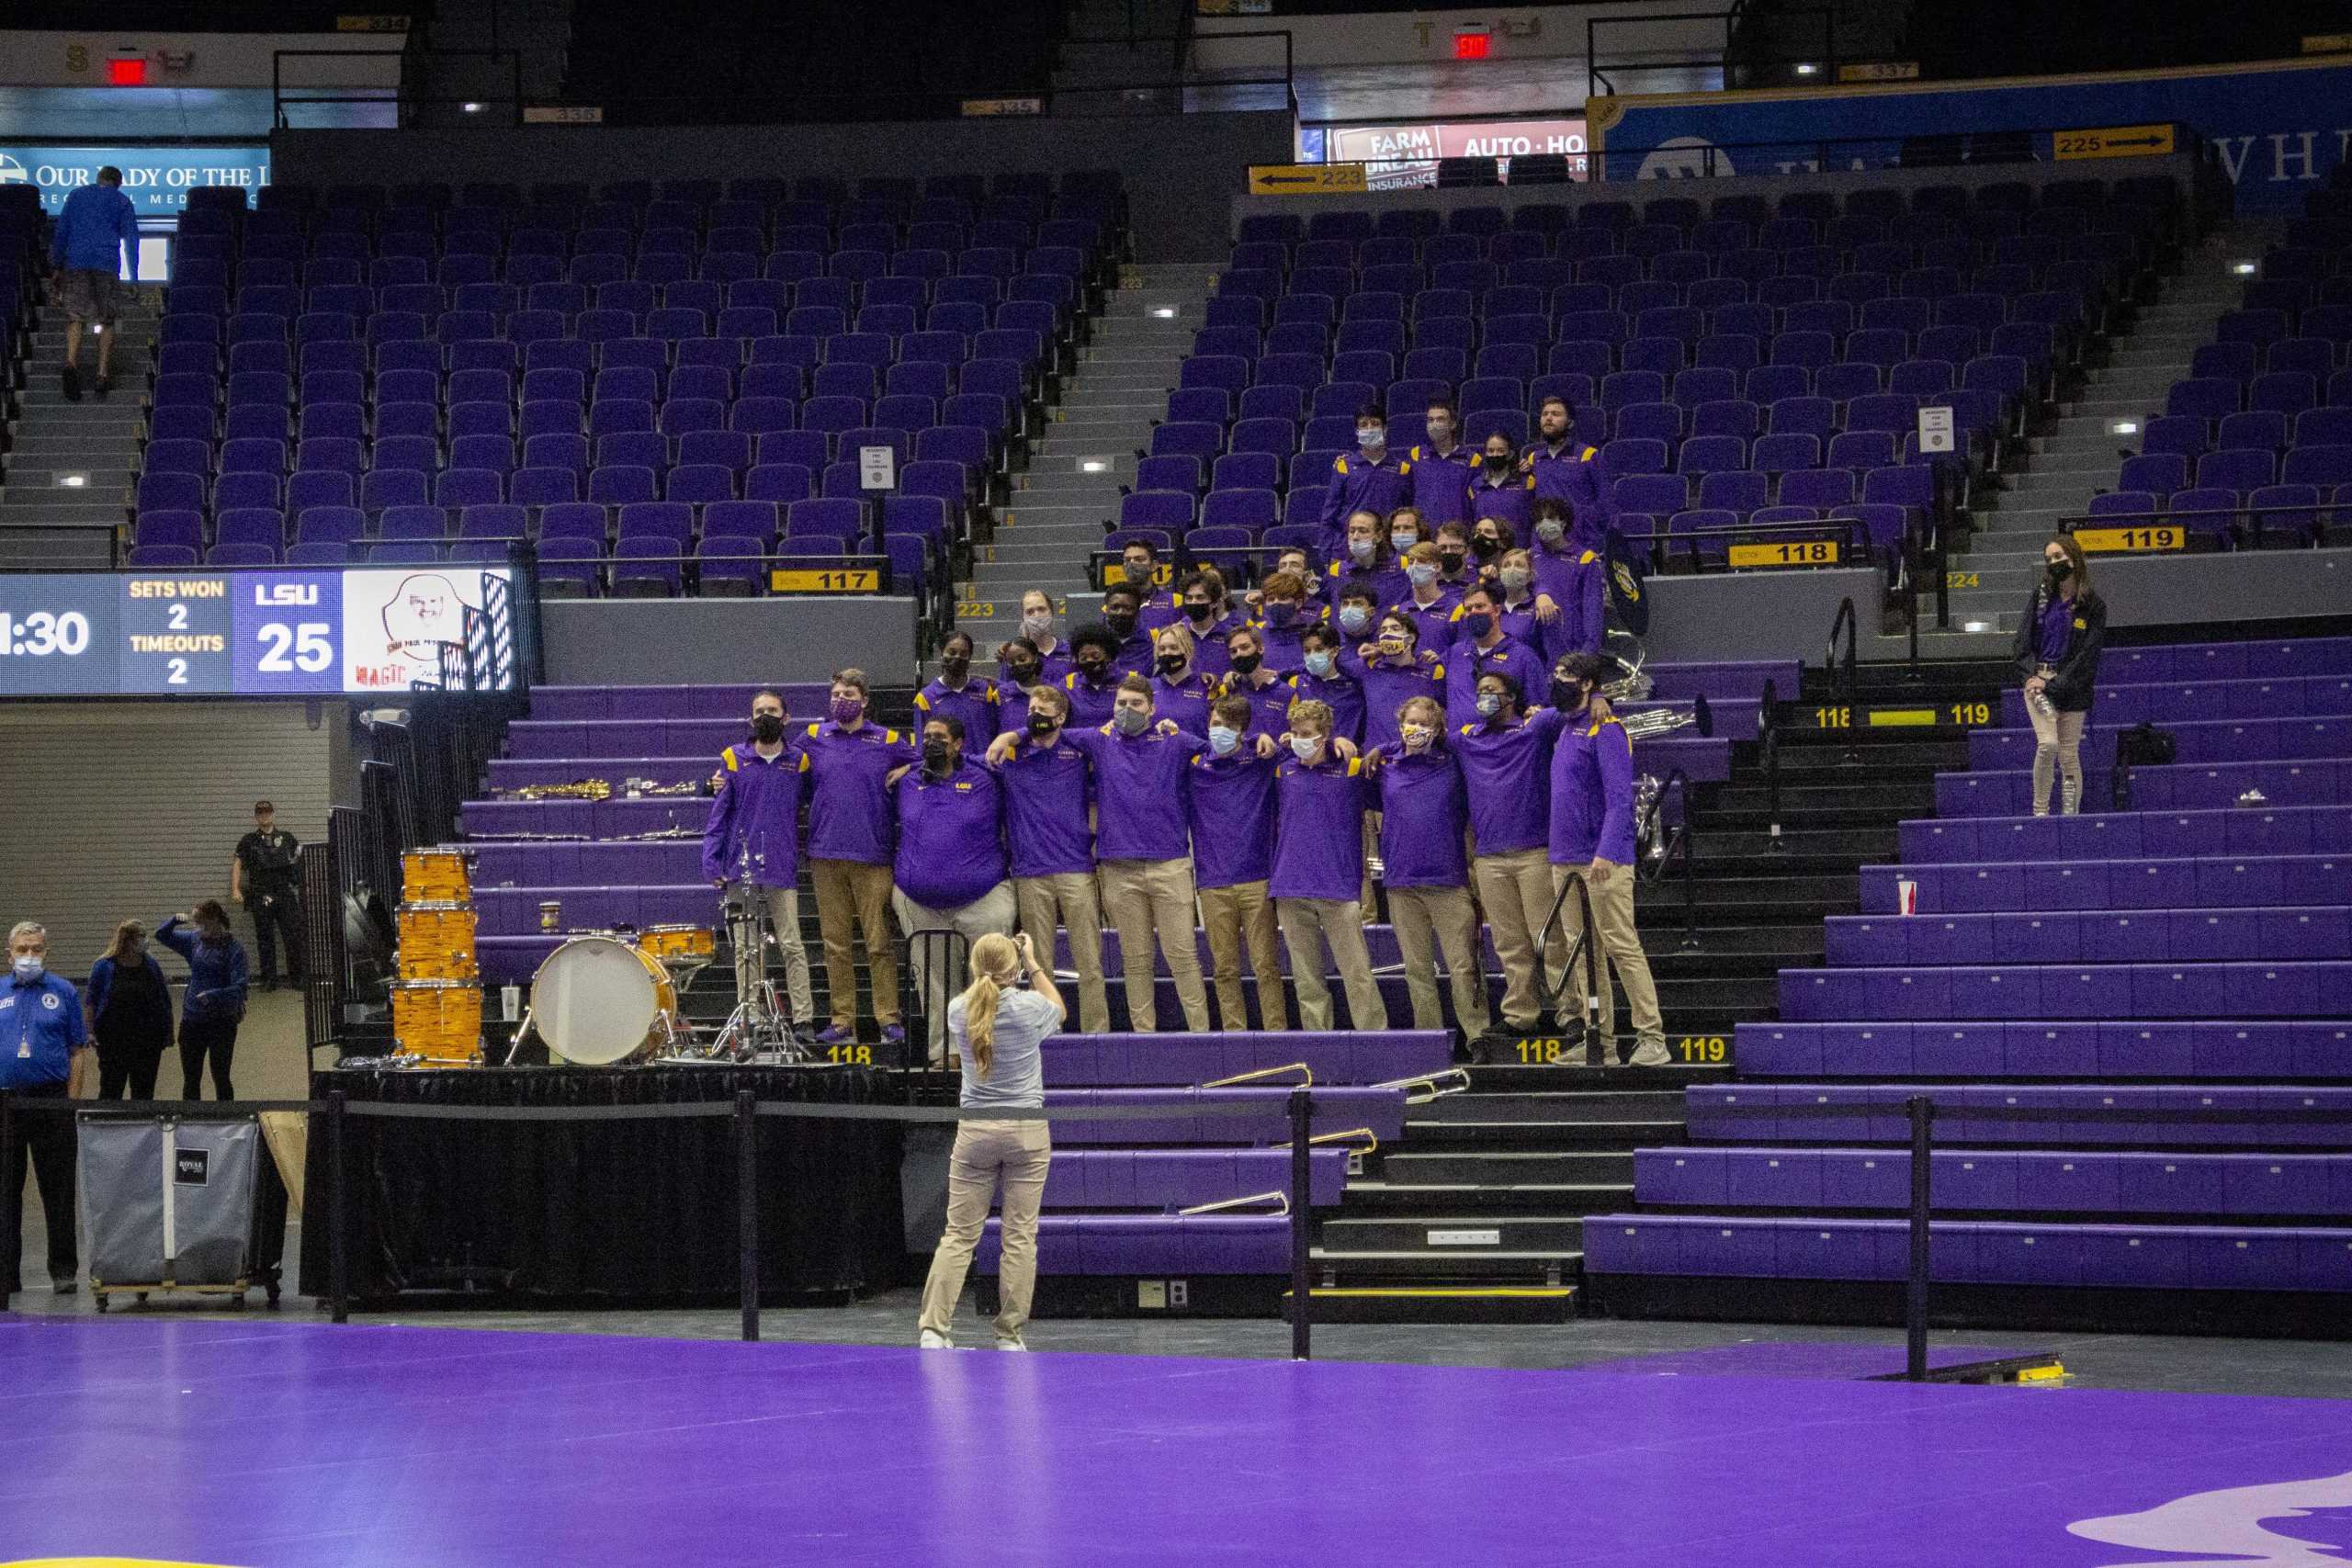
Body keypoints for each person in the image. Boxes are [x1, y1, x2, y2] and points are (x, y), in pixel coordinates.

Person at [918, 931, 1064, 1352]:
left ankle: (933, 1328)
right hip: (1026, 1129)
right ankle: (1008, 1334)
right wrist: (1032, 962)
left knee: (959, 1234)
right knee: (1019, 1235)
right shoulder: (1029, 1007)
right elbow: (1059, 1008)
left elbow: (980, 1002)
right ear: (1013, 969)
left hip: (975, 1130)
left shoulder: (958, 1009)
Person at [1064, 676, 1214, 1032]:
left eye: (1135, 704)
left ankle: (1201, 1036)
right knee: (1135, 960)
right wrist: (1012, 736)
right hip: (1119, 867)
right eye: (1121, 704)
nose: (1126, 710)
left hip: (1169, 864)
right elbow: (1049, 733)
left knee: (1183, 957)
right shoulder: (1100, 741)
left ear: (1152, 708)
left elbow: (1217, 750)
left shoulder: (1174, 740)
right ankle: (1143, 1036)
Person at [1548, 652, 1669, 1066]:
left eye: (1566, 675)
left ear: (1586, 684)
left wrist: (1607, 851)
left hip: (1602, 858)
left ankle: (1653, 1037)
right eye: (1556, 673)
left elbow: (1620, 799)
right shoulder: (1565, 727)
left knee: (1620, 944)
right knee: (1582, 952)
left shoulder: (1608, 729)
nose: (1557, 680)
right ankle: (1599, 1037)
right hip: (1563, 857)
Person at [892, 716, 1016, 1067]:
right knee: (933, 980)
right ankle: (944, 1052)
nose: (932, 743)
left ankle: (988, 1047)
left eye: (940, 738)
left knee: (989, 976)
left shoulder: (986, 778)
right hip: (919, 901)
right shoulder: (907, 781)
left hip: (984, 895)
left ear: (959, 744)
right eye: (927, 736)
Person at [802, 669, 917, 1048]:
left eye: (848, 693)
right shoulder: (815, 737)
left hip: (873, 854)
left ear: (865, 700)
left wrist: (905, 767)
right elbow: (779, 765)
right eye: (835, 693)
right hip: (825, 854)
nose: (840, 700)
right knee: (835, 943)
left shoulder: (887, 739)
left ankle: (887, 1018)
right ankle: (842, 1021)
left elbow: (926, 761)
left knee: (878, 942)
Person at [1366, 698, 1492, 1041]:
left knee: (1463, 966)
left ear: (1436, 730)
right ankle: (1429, 1039)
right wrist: (1382, 748)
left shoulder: (1453, 764)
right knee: (1417, 969)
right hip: (1401, 882)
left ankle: (1477, 1035)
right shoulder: (1386, 766)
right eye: (1410, 722)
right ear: (1400, 724)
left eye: (1424, 724)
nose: (1415, 729)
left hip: (1448, 881)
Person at [1454, 671, 1569, 1037]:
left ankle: (1572, 1013)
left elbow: (1571, 710)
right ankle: (1521, 1014)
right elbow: (1419, 740)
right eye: (1480, 691)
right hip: (1488, 858)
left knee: (1549, 939)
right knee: (1508, 943)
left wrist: (1598, 698)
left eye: (1492, 691)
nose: (1484, 697)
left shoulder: (1533, 730)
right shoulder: (1467, 739)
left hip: (1534, 852)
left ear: (1511, 698)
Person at [701, 688, 816, 1043]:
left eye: (773, 709)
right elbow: (719, 816)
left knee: (792, 944)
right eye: (759, 710)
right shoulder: (733, 759)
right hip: (740, 868)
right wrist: (711, 859)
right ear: (751, 718)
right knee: (745, 947)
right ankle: (748, 1016)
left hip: (782, 866)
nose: (766, 715)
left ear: (786, 717)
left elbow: (814, 801)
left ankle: (804, 1020)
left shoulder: (799, 761)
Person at [998, 684, 1111, 1034]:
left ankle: (1097, 1033)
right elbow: (974, 760)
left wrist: (1011, 733)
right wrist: (1012, 737)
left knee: (1089, 960)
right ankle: (1047, 1031)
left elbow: (1105, 733)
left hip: (1076, 867)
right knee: (1038, 962)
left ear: (1061, 717)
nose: (1034, 717)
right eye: (1031, 710)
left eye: (1043, 712)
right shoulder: (1013, 756)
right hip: (1030, 871)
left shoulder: (1077, 748)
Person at [1270, 701, 1388, 1032]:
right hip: (1290, 885)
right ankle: (1317, 1044)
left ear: (1325, 736)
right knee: (1307, 980)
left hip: (1338, 886)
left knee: (1357, 973)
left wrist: (1358, 751)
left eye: (1306, 734)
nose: (1298, 739)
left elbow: (1384, 780)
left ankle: (1375, 1039)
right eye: (1294, 733)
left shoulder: (1351, 770)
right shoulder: (1283, 770)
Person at [1187, 694, 1289, 1032]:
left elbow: (1298, 747)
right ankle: (1235, 1036)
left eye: (1229, 727)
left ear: (1243, 730)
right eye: (1215, 724)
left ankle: (1276, 1035)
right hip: (1213, 881)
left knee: (1266, 966)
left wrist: (1266, 738)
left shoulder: (1260, 759)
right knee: (1224, 968)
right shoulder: (1194, 765)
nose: (1219, 731)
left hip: (1257, 877)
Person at [3, 921, 92, 1295]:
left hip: (51, 1099)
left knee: (57, 1189)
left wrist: (69, 1104)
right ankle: (7, 1274)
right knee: (6, 1191)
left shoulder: (64, 992)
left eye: (36, 949)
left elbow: (77, 1052)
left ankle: (64, 1270)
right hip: (5, 1103)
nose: (29, 956)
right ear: (9, 953)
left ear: (46, 952)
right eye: (22, 949)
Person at [2014, 535, 2107, 818]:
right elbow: (2021, 642)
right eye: (2049, 559)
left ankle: (2070, 816)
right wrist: (2032, 677)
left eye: (2058, 556)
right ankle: (2040, 812)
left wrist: (2057, 684)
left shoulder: (2093, 605)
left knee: (2068, 755)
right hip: (2038, 684)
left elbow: (2087, 656)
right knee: (2048, 744)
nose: (2054, 562)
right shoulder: (2042, 596)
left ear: (2073, 558)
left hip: (2072, 688)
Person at [48, 164, 139, 403]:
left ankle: (70, 362)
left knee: (75, 317)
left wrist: (56, 265)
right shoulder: (122, 202)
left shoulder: (76, 195)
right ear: (118, 183)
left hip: (76, 261)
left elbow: (62, 231)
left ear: (98, 178)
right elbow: (131, 239)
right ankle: (101, 374)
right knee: (106, 319)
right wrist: (135, 277)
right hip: (106, 263)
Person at [157, 902, 248, 1100]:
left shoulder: (234, 949)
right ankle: (191, 1119)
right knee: (191, 1078)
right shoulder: (194, 941)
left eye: (201, 922)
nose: (197, 927)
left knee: (221, 1076)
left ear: (214, 920)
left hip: (222, 1021)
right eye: (195, 923)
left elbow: (240, 987)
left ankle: (225, 1119)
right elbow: (161, 935)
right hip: (192, 1019)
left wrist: (215, 995)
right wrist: (174, 921)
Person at [86, 919, 174, 1100]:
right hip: (113, 1041)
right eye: (141, 937)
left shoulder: (151, 965)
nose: (145, 940)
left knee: (144, 1091)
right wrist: (90, 1031)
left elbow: (163, 999)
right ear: (128, 940)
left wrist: (168, 1031)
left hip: (147, 1041)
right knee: (111, 1088)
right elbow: (91, 1001)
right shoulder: (103, 966)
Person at [1346, 608, 1446, 758]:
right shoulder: (1368, 667)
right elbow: (1331, 666)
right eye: (1383, 630)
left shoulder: (1432, 672)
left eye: (1395, 628)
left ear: (1411, 638)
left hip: (1416, 756)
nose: (1388, 633)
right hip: (1375, 759)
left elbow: (1444, 712)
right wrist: (1378, 651)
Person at [1444, 583, 1549, 724]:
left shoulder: (1523, 656)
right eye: (1468, 609)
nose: (1474, 612)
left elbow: (1538, 706)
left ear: (1497, 610)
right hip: (1459, 743)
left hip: (1504, 743)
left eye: (1480, 606)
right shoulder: (1454, 653)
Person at [232, 800, 304, 991]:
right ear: (256, 817)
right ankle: (269, 980)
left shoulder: (287, 838)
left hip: (284, 893)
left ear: (273, 814)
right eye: (260, 813)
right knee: (265, 939)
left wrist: (302, 886)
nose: (264, 816)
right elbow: (238, 863)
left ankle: (297, 978)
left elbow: (298, 862)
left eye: (267, 812)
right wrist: (235, 889)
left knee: (293, 936)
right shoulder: (249, 840)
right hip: (260, 893)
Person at [1527, 397, 1612, 550]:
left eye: (1556, 414)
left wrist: (1605, 544)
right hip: (1543, 544)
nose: (1548, 418)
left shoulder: (1588, 455)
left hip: (1582, 543)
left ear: (1570, 422)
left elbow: (1606, 501)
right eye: (1544, 414)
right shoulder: (1534, 459)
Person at [1528, 498, 1607, 661]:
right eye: (1539, 520)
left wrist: (1588, 652)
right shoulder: (1529, 556)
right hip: (1537, 644)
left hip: (1571, 645)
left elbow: (1593, 609)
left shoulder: (1584, 559)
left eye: (1550, 518)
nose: (1544, 523)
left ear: (1563, 522)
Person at [1320, 403, 1412, 541]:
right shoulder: (1344, 467)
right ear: (1357, 432)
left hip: (1388, 547)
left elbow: (1409, 513)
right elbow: (1329, 516)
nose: (1369, 428)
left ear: (1385, 429)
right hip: (1350, 547)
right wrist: (1327, 556)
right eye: (1363, 425)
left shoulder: (1402, 470)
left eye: (1375, 424)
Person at [914, 631, 1000, 745]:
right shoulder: (925, 697)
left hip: (981, 762)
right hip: (945, 762)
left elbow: (996, 733)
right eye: (952, 652)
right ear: (941, 654)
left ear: (970, 658)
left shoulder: (985, 690)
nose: (957, 657)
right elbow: (922, 745)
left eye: (964, 654)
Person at [1289, 622, 1365, 747]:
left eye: (1319, 649)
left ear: (1335, 651)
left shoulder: (1356, 684)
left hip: (1346, 758)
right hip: (1310, 756)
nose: (1312, 655)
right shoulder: (1298, 683)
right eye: (1307, 651)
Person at [1407, 400, 1476, 527]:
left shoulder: (1471, 460)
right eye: (1430, 420)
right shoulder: (1416, 455)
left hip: (1457, 534)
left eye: (1440, 419)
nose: (1434, 424)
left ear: (1453, 424)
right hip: (1425, 534)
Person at [1217, 625, 1295, 739]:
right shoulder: (1229, 690)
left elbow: (1295, 737)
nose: (1239, 653)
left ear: (1260, 648)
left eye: (1245, 647)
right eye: (1233, 651)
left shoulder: (1288, 694)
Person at [1149, 624, 1219, 736]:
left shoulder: (1207, 686)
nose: (1167, 653)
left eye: (1174, 647)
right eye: (1162, 649)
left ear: (1188, 651)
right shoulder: (1148, 687)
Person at [1393, 542, 1463, 650]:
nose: (1414, 566)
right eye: (1411, 562)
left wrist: (1441, 658)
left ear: (1438, 567)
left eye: (1421, 561)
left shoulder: (1456, 610)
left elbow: (1462, 651)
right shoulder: (1397, 611)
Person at [1251, 569, 1318, 674]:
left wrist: (1281, 674)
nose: (1276, 603)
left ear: (1298, 603)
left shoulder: (1314, 631)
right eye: (1271, 599)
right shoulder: (1256, 633)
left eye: (1282, 598)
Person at [1469, 432, 1534, 536]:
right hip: (1487, 548)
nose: (1495, 455)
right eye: (1490, 451)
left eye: (1501, 450)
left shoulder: (1526, 482)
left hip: (1518, 549)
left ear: (1510, 454)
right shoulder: (1475, 485)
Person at [1061, 623, 1125, 728]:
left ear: (1108, 656)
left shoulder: (1128, 680)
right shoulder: (1068, 684)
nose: (1089, 660)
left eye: (1095, 656)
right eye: (1083, 657)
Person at [1176, 571, 1237, 679]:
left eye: (1200, 597)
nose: (1194, 602)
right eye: (1189, 598)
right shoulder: (1177, 635)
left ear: (1214, 603)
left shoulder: (1231, 636)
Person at [1328, 509, 1393, 604]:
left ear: (1378, 536)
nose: (1355, 537)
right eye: (1352, 531)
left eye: (1363, 531)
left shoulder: (1400, 568)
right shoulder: (1336, 571)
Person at [1120, 538, 1182, 631]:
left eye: (1139, 559)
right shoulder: (1113, 606)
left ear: (1154, 566)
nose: (1132, 563)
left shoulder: (1176, 602)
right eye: (1127, 560)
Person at [994, 636, 1048, 737]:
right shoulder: (1000, 694)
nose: (1017, 664)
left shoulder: (1053, 692)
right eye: (1011, 662)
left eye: (1022, 659)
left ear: (1035, 658)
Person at [1099, 583, 1155, 676]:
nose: (1120, 612)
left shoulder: (1151, 642)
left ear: (1138, 611)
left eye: (1128, 608)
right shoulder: (1093, 640)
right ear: (1106, 609)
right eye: (1115, 607)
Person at [1019, 590, 1075, 681]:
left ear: (1051, 612)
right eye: (1030, 611)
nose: (1036, 615)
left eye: (1041, 609)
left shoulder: (1070, 651)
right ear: (1023, 618)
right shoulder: (1015, 655)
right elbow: (1006, 690)